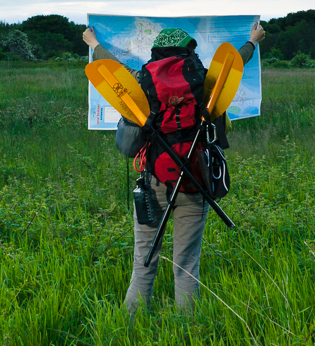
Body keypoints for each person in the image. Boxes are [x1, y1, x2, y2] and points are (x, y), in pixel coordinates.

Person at [82, 22, 265, 315]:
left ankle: (131, 325)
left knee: (144, 258)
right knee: (186, 265)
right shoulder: (208, 83)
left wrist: (93, 43)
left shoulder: (142, 81)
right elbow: (234, 64)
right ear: (189, 51)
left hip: (153, 181)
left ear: (157, 53)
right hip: (195, 181)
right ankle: (189, 331)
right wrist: (252, 41)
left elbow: (112, 69)